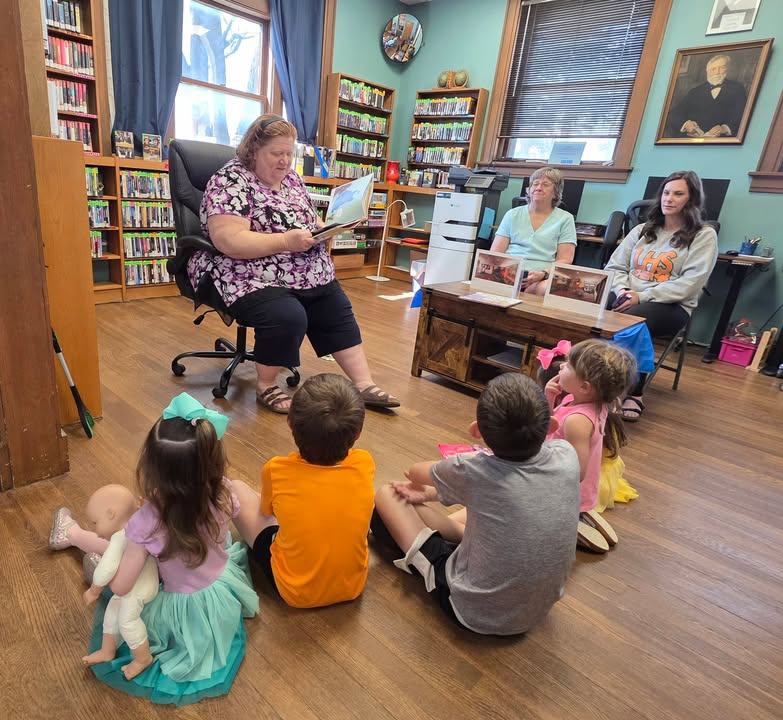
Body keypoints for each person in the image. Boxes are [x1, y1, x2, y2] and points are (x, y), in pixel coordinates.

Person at [50, 393, 259, 705]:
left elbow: (122, 585)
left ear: (153, 468)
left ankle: (74, 534)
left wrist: (123, 557)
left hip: (181, 610)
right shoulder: (224, 492)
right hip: (218, 591)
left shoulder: (148, 521)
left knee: (111, 552)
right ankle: (75, 536)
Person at [188, 113, 399, 414]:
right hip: (242, 270)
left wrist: (328, 227)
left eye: (290, 153)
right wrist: (287, 241)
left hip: (301, 267)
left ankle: (363, 384)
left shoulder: (292, 180)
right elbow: (228, 241)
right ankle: (266, 386)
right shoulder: (229, 181)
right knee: (287, 315)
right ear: (253, 151)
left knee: (333, 304)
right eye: (277, 153)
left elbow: (309, 220)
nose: (285, 161)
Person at [371, 373, 580, 636]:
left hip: (474, 610)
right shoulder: (566, 454)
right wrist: (428, 495)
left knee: (386, 494)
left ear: (476, 431)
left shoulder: (475, 470)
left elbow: (414, 472)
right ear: (550, 426)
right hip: (538, 608)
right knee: (492, 510)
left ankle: (430, 557)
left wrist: (453, 471)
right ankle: (455, 535)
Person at [232, 373, 375, 608]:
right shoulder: (365, 463)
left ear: (290, 423)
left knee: (235, 489)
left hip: (294, 590)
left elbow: (267, 512)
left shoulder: (277, 470)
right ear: (358, 433)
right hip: (352, 587)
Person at [605, 170, 718, 421]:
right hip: (629, 294)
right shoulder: (643, 230)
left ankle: (634, 392)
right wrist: (622, 290)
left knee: (634, 321)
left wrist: (641, 296)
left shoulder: (703, 235)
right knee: (589, 302)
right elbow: (615, 267)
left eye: (678, 194)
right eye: (666, 193)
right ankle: (583, 373)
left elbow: (691, 284)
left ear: (692, 200)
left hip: (672, 305)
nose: (669, 199)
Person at [541, 340, 637, 553]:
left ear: (585, 386)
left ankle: (569, 519)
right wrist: (549, 397)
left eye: (568, 364)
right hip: (573, 489)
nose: (561, 366)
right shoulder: (590, 402)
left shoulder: (578, 420)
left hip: (562, 492)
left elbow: (577, 471)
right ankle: (580, 514)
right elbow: (551, 427)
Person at [79, 485, 160, 680]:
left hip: (140, 587)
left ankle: (143, 658)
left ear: (111, 514)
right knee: (112, 611)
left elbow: (106, 568)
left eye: (95, 522)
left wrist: (94, 590)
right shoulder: (139, 524)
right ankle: (108, 650)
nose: (95, 531)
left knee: (127, 620)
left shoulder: (120, 536)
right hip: (134, 584)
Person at [490, 167, 577, 295]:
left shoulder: (565, 219)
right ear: (529, 190)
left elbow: (565, 259)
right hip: (509, 271)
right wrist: (508, 273)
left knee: (543, 289)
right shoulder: (512, 214)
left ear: (556, 192)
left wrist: (543, 274)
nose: (538, 187)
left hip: (543, 275)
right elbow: (495, 253)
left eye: (545, 184)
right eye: (535, 183)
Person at [666, 54, 747, 138]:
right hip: (693, 142)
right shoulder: (695, 91)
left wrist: (725, 128)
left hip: (723, 143)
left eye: (722, 67)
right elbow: (674, 114)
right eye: (713, 69)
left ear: (728, 69)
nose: (717, 72)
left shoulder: (737, 89)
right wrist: (686, 124)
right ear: (707, 71)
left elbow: (743, 115)